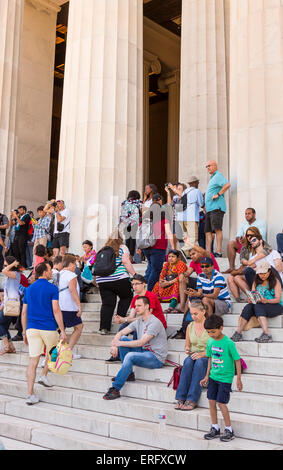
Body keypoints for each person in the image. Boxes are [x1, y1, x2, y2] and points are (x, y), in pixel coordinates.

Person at [103, 296, 168, 400]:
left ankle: (115, 388)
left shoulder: (154, 322)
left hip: (155, 358)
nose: (136, 308)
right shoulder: (139, 321)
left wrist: (119, 344)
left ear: (147, 306)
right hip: (144, 351)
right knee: (124, 339)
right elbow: (121, 333)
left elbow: (141, 342)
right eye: (135, 306)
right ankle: (128, 373)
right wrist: (114, 345)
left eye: (139, 306)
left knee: (130, 355)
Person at [21, 262, 67, 405]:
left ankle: (30, 394)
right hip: (48, 327)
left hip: (31, 328)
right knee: (53, 354)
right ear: (45, 272)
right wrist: (63, 330)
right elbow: (56, 310)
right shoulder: (52, 288)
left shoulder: (29, 289)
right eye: (50, 270)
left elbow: (23, 312)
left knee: (32, 362)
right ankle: (44, 375)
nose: (52, 272)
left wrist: (24, 332)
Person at [106, 274, 167, 363]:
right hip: (143, 324)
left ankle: (135, 352)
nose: (134, 286)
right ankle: (119, 352)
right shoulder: (135, 298)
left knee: (132, 325)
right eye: (133, 284)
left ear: (144, 284)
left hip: (156, 326)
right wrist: (122, 319)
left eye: (137, 284)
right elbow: (131, 317)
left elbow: (146, 318)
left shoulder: (150, 296)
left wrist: (125, 319)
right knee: (125, 325)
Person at [200, 315, 242, 442]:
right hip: (213, 376)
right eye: (208, 332)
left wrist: (238, 378)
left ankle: (229, 429)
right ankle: (215, 427)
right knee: (211, 402)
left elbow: (237, 360)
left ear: (221, 328)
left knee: (221, 403)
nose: (211, 334)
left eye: (213, 331)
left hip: (225, 378)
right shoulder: (210, 341)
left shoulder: (229, 343)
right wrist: (207, 375)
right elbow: (210, 359)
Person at [231, 261, 283, 344]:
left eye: (264, 273)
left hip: (276, 305)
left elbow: (277, 299)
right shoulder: (256, 281)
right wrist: (251, 299)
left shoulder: (275, 281)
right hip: (261, 304)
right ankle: (238, 332)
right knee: (249, 306)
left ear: (269, 272)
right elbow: (253, 294)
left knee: (259, 306)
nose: (262, 275)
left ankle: (266, 334)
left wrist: (266, 301)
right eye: (260, 273)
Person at [96, 229, 135, 335]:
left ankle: (104, 328)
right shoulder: (122, 247)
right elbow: (126, 261)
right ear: (121, 238)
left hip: (102, 280)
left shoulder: (103, 249)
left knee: (107, 304)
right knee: (126, 297)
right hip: (119, 278)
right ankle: (120, 320)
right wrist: (134, 275)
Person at [174, 300, 209, 410]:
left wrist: (202, 354)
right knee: (188, 361)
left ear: (203, 311)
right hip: (194, 356)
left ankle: (192, 399)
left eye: (195, 314)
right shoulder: (190, 326)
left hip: (207, 357)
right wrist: (187, 349)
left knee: (199, 362)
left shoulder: (210, 325)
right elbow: (187, 345)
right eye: (191, 314)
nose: (193, 316)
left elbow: (216, 348)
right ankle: (180, 397)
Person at [227, 227, 274, 302]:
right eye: (247, 235)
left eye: (251, 235)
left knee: (237, 278)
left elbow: (268, 250)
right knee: (230, 278)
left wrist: (251, 261)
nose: (249, 237)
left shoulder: (261, 243)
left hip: (259, 272)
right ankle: (239, 299)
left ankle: (253, 296)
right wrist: (248, 263)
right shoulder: (245, 247)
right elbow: (242, 260)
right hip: (248, 270)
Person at [142, 194, 174, 291]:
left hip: (146, 247)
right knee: (156, 270)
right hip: (158, 247)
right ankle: (149, 291)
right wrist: (172, 246)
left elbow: (140, 232)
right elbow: (168, 232)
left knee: (151, 268)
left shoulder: (145, 219)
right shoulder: (164, 218)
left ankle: (148, 288)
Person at [178, 243, 220, 313]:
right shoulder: (193, 262)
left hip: (212, 283)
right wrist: (182, 274)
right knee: (183, 279)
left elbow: (204, 252)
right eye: (190, 255)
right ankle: (182, 306)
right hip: (201, 283)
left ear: (199, 252)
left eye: (193, 254)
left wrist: (189, 242)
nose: (192, 257)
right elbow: (188, 272)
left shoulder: (207, 257)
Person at [224, 208, 267, 273]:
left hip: (256, 246)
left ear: (254, 214)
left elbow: (260, 236)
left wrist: (247, 238)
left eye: (249, 213)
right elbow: (238, 235)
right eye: (246, 214)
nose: (247, 215)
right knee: (231, 243)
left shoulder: (261, 223)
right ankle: (231, 268)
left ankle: (244, 266)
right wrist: (240, 239)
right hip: (245, 244)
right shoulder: (243, 224)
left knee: (248, 240)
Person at [204, 161, 231, 257]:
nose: (208, 168)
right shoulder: (212, 178)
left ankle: (218, 251)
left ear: (215, 166)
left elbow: (227, 184)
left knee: (217, 229)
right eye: (206, 166)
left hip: (217, 208)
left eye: (209, 166)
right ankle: (208, 253)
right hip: (209, 209)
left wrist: (218, 194)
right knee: (208, 231)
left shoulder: (218, 175)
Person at [169, 176, 204, 248]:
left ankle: (186, 253)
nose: (198, 183)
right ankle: (185, 253)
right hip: (191, 218)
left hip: (182, 218)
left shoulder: (185, 192)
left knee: (186, 237)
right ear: (194, 183)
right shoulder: (197, 191)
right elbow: (201, 204)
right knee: (193, 237)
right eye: (197, 182)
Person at [58, 254, 83, 351]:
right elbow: (73, 291)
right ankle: (68, 351)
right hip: (69, 307)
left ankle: (54, 355)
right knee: (79, 327)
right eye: (75, 264)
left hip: (59, 306)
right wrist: (79, 306)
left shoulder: (58, 274)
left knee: (61, 332)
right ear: (71, 263)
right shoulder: (72, 275)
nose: (75, 266)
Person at [0, 257, 21, 355]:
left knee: (1, 324)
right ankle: (11, 347)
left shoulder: (16, 274)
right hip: (7, 304)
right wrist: (2, 305)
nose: (5, 266)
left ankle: (7, 346)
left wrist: (12, 264)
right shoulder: (9, 276)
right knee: (3, 326)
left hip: (11, 305)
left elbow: (3, 271)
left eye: (6, 264)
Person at [119, 191, 143, 260]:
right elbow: (141, 212)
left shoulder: (124, 202)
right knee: (132, 240)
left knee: (127, 240)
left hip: (125, 222)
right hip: (134, 222)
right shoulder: (138, 202)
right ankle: (131, 257)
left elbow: (122, 212)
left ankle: (126, 255)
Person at [165, 182, 187, 249]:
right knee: (174, 235)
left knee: (182, 237)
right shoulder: (175, 197)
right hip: (176, 219)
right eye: (178, 188)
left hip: (183, 219)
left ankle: (185, 251)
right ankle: (174, 250)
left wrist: (172, 188)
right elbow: (169, 204)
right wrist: (168, 192)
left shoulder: (185, 196)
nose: (178, 190)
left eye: (180, 189)